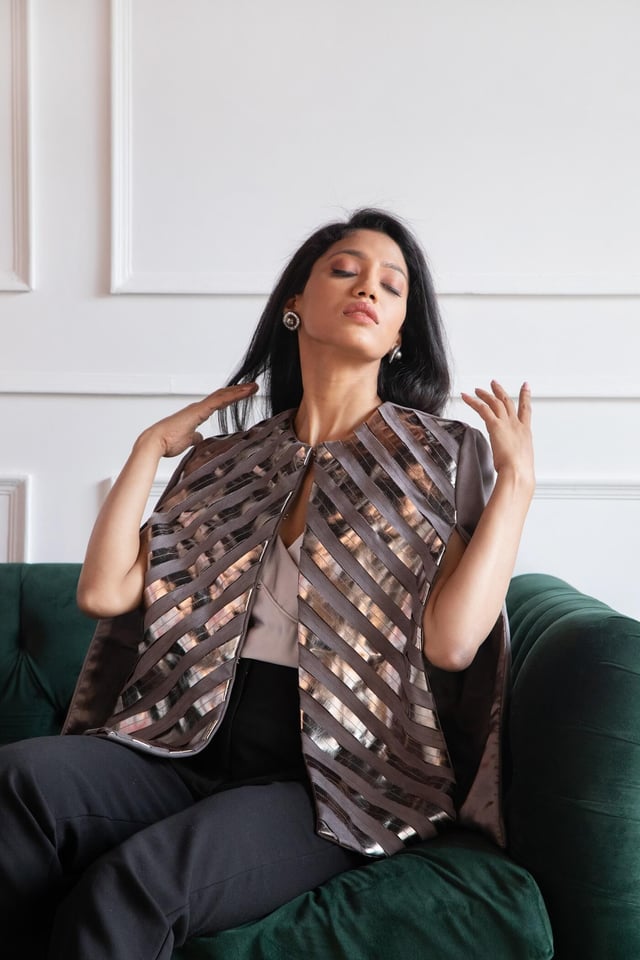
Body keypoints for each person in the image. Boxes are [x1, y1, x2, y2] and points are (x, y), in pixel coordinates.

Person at [0, 208, 534, 958]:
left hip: (332, 777)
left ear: (399, 334)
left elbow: (451, 645)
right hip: (183, 740)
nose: (368, 288)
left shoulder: (438, 456)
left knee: (132, 887)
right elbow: (104, 594)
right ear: (295, 305)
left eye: (392, 286)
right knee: (17, 780)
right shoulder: (229, 462)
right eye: (344, 270)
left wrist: (517, 486)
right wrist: (149, 448)